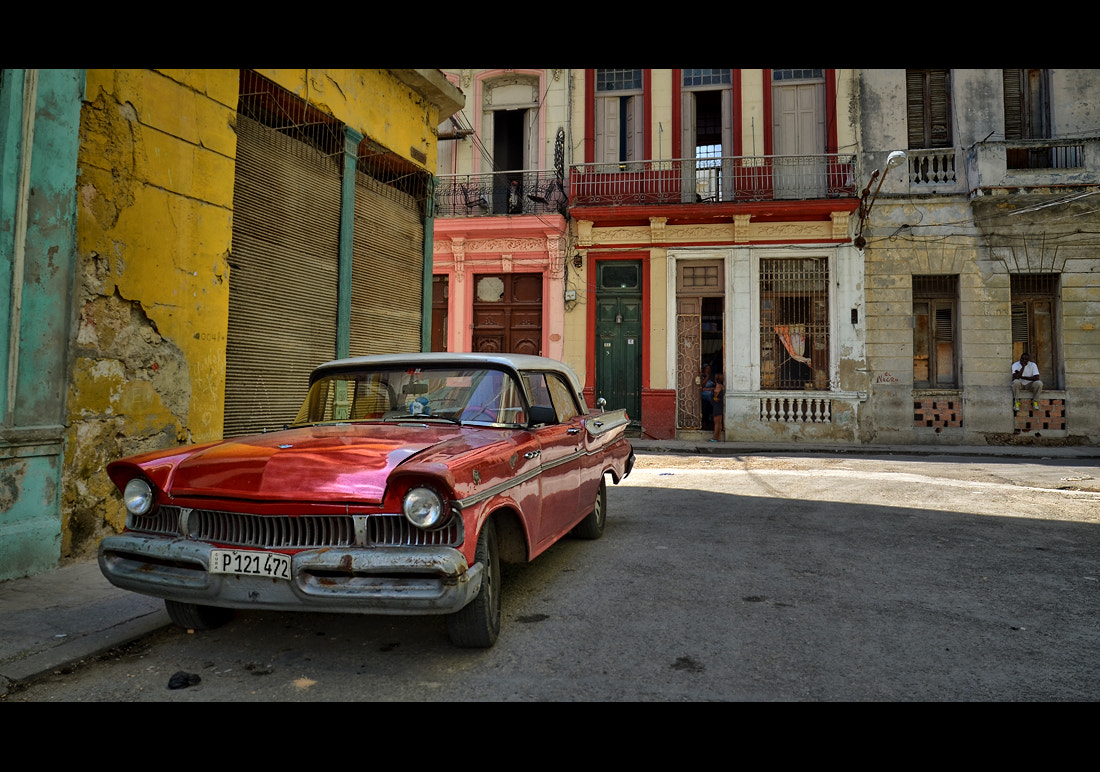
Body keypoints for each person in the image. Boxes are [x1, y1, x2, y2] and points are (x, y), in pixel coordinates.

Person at [709, 373, 725, 442]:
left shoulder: (718, 388)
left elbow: (715, 397)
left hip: (717, 407)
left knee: (716, 422)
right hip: (719, 407)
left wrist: (715, 396)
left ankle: (715, 437)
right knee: (719, 422)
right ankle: (718, 437)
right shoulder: (722, 387)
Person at [699, 364, 715, 430]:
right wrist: (707, 377)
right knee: (704, 411)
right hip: (704, 398)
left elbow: (716, 387)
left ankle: (709, 425)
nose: (708, 370)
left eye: (709, 369)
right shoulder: (701, 376)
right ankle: (704, 425)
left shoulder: (712, 377)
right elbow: (701, 385)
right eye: (707, 369)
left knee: (710, 411)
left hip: (712, 398)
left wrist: (705, 389)